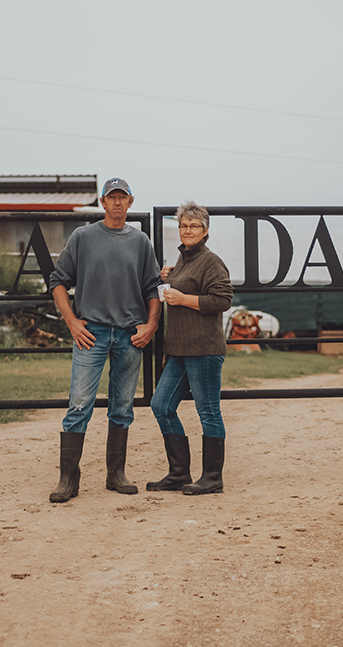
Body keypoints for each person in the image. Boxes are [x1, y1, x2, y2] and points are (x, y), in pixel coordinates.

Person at [46, 177, 162, 503]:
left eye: (122, 197)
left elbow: (153, 288)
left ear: (130, 202)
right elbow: (58, 281)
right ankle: (68, 479)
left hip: (130, 336)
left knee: (122, 408)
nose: (116, 203)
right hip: (90, 335)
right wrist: (71, 321)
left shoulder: (140, 242)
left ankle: (116, 474)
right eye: (111, 197)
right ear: (102, 202)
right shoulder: (83, 237)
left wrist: (151, 325)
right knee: (79, 404)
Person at [147, 201, 233, 495]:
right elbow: (182, 286)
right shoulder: (183, 260)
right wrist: (167, 279)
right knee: (161, 405)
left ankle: (212, 478)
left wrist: (183, 299)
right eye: (183, 225)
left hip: (205, 349)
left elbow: (222, 300)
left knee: (207, 411)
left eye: (194, 225)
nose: (187, 230)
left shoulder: (211, 261)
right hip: (180, 350)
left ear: (205, 230)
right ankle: (179, 473)